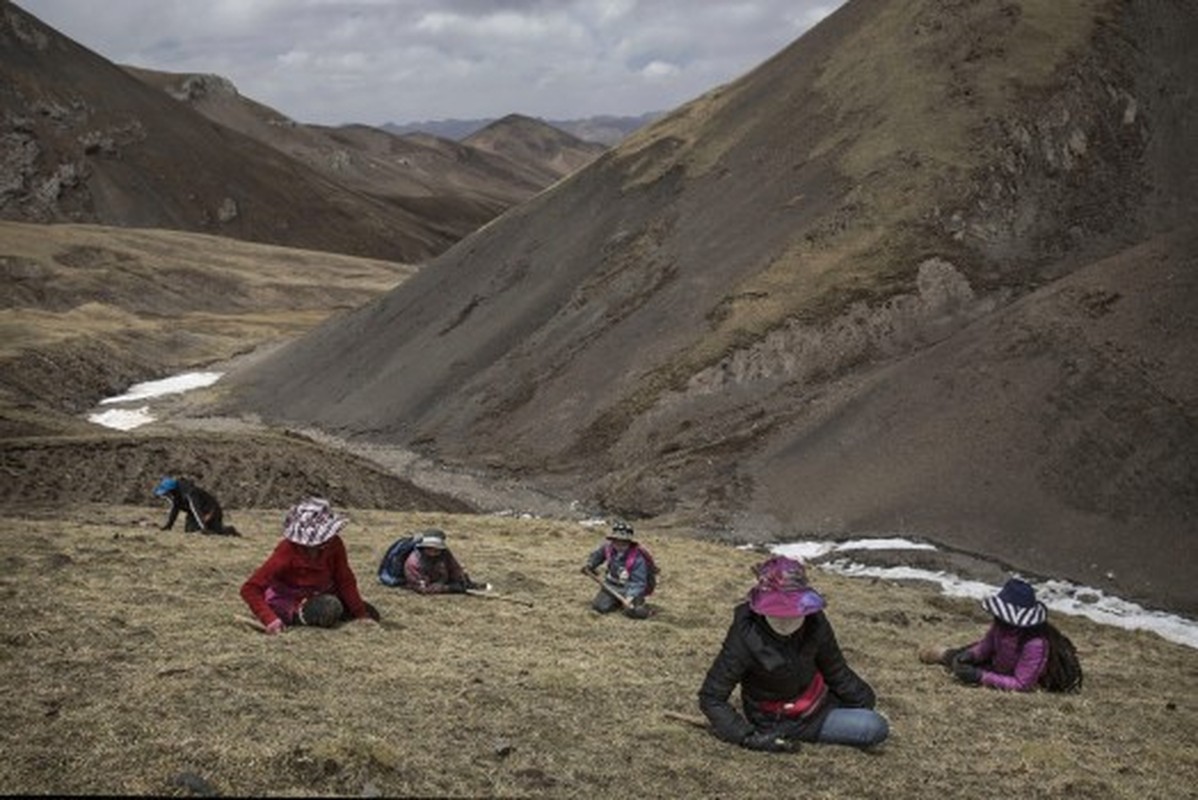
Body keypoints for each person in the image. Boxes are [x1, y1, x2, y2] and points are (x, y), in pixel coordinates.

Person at [698, 555, 889, 753]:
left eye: (794, 614)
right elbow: (711, 696)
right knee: (874, 727)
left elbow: (835, 668)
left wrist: (864, 701)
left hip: (819, 699)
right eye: (777, 613)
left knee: (867, 704)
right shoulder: (745, 634)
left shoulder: (815, 621)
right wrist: (749, 737)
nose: (786, 621)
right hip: (779, 719)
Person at [240, 497, 379, 634]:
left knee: (371, 613)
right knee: (330, 607)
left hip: (323, 594)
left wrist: (361, 614)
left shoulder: (334, 544)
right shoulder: (287, 550)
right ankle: (294, 617)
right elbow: (250, 588)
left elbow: (345, 580)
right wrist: (269, 619)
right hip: (291, 601)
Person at [928, 578, 1051, 692]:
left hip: (1011, 675)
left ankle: (945, 655)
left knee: (966, 668)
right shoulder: (1001, 626)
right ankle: (946, 655)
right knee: (960, 660)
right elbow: (987, 645)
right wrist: (972, 655)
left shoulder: (1035, 644)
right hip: (997, 665)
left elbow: (1021, 683)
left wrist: (981, 677)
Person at [580, 520, 653, 619]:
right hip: (611, 585)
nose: (619, 546)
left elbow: (639, 582)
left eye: (623, 543)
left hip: (629, 587)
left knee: (634, 611)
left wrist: (630, 597)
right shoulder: (608, 548)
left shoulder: (637, 558)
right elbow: (597, 556)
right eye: (617, 542)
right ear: (613, 541)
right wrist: (590, 565)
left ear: (629, 542)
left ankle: (637, 602)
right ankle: (616, 601)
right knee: (600, 607)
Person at [402, 529, 484, 594]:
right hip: (430, 584)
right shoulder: (414, 563)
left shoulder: (444, 553)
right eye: (430, 548)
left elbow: (454, 567)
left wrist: (462, 581)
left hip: (441, 580)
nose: (433, 552)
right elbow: (422, 588)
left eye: (437, 549)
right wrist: (449, 588)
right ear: (423, 547)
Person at [153, 476, 239, 536]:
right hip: (196, 513)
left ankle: (228, 531)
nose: (165, 496)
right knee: (190, 532)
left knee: (213, 533)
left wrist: (204, 528)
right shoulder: (176, 495)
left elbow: (196, 509)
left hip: (211, 511)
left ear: (172, 491)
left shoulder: (190, 493)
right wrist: (168, 526)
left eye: (166, 493)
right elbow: (175, 509)